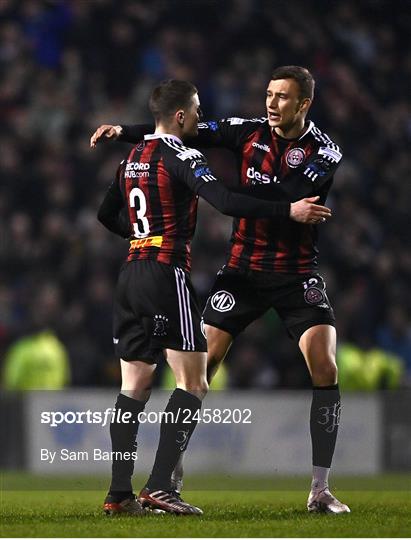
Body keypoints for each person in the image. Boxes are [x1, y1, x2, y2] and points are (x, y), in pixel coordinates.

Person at [91, 66, 349, 514]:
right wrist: (122, 130)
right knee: (198, 370)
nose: (270, 103)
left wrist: (134, 147)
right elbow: (183, 129)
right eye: (268, 94)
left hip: (295, 273)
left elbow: (285, 190)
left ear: (304, 104)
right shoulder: (246, 131)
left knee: (324, 364)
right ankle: (166, 477)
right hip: (241, 270)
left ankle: (319, 488)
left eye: (282, 97)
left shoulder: (324, 151)